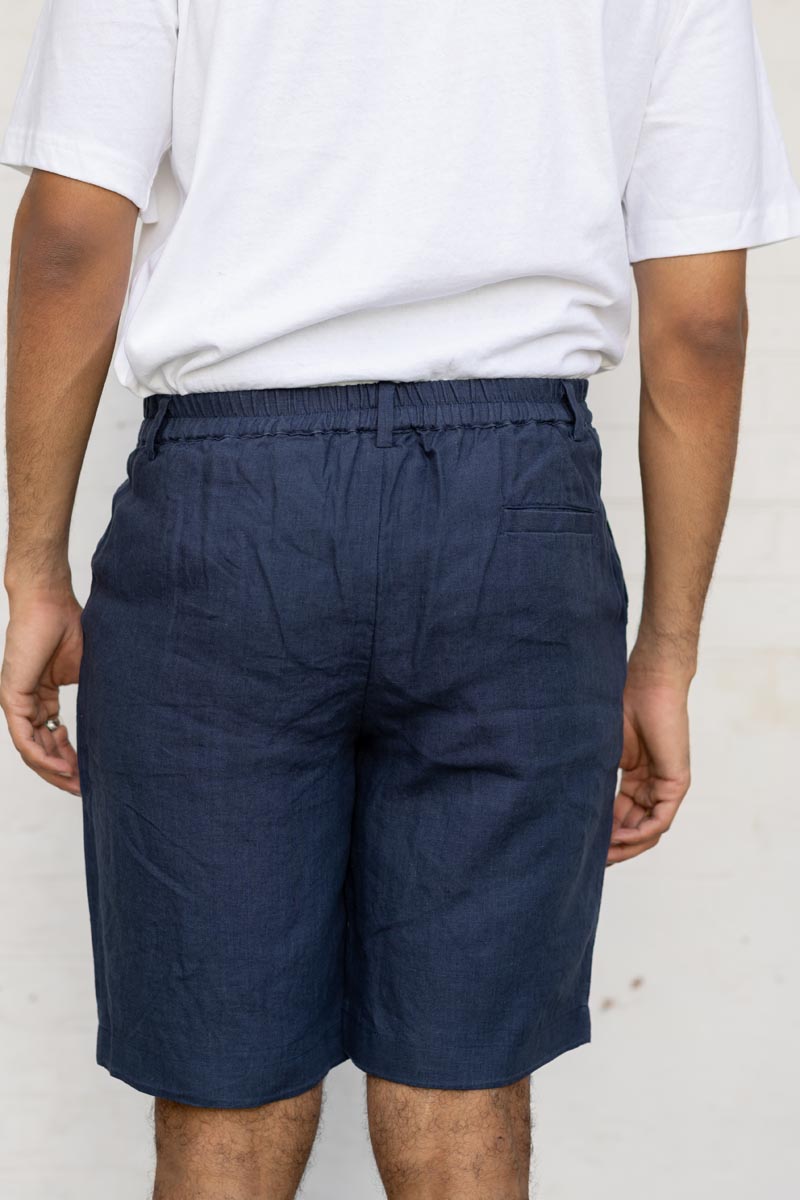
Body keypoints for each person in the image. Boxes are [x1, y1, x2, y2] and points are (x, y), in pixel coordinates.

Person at [1, 0, 798, 1196]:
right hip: (514, 507)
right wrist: (666, 654)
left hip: (230, 503)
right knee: (464, 1065)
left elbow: (71, 236)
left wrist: (35, 567)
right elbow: (700, 323)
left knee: (225, 1071)